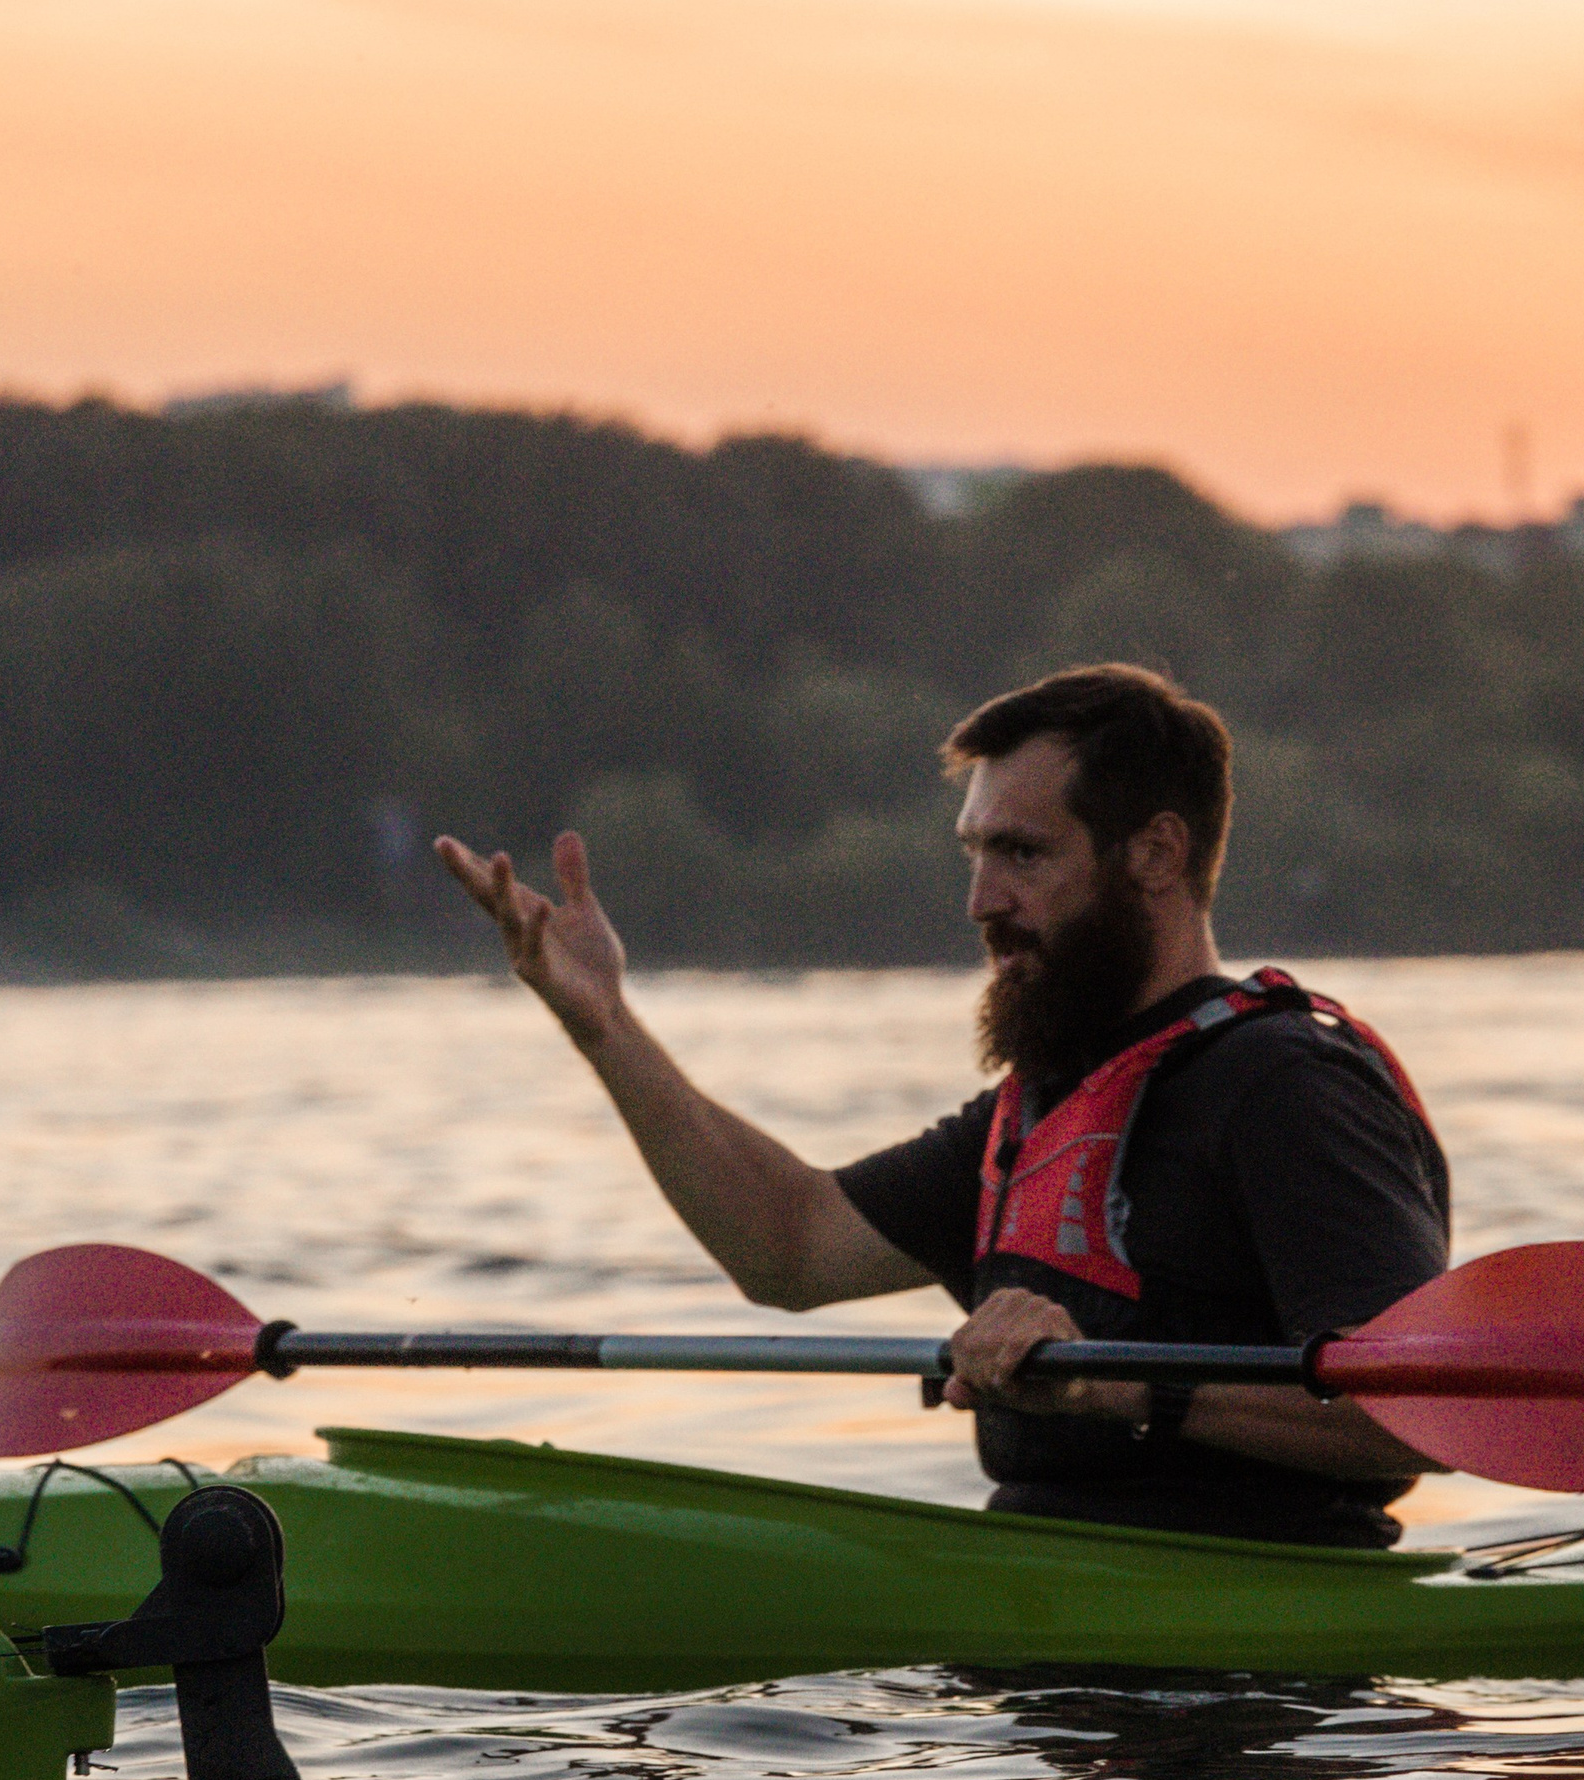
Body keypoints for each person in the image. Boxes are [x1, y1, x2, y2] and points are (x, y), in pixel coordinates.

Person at [434, 662, 1450, 1547]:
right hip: (1054, 1671)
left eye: (1022, 854)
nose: (980, 901)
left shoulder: (1286, 1086)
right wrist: (606, 1026)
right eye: (973, 853)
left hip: (1275, 1706)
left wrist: (1124, 1386)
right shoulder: (1043, 1110)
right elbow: (785, 1248)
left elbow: (1427, 1413)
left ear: (1155, 854)